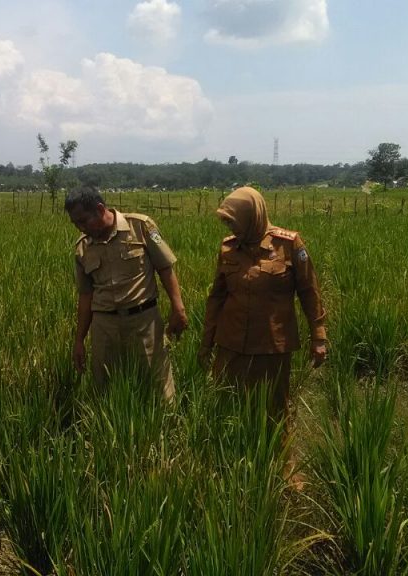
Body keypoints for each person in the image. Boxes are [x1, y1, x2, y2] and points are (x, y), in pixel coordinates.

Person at [199, 186, 326, 486]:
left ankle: (282, 471)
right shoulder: (228, 249)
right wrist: (206, 343)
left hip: (272, 346)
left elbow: (309, 292)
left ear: (251, 216)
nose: (230, 228)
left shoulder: (289, 245)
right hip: (231, 346)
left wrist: (319, 336)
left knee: (275, 410)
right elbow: (216, 298)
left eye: (233, 221)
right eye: (227, 222)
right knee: (227, 406)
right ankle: (230, 467)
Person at [66, 185, 188, 399]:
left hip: (144, 322)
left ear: (100, 209)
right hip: (104, 326)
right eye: (76, 224)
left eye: (83, 221)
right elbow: (85, 296)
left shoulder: (142, 226)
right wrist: (79, 340)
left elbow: (165, 268)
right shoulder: (83, 247)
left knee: (157, 388)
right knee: (106, 390)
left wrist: (178, 308)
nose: (81, 228)